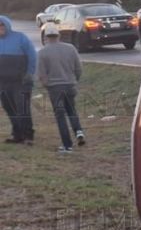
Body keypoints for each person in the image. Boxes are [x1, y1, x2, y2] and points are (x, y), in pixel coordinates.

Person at [37, 23, 85, 153]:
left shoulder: (42, 53)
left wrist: (46, 85)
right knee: (72, 110)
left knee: (60, 116)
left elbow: (42, 75)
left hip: (55, 88)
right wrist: (75, 80)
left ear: (46, 37)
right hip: (70, 85)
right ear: (59, 35)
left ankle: (67, 145)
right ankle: (79, 132)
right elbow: (78, 69)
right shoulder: (71, 48)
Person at [0, 15, 36, 144]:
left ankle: (28, 135)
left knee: (22, 108)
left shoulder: (20, 38)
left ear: (7, 25)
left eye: (2, 25)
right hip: (3, 82)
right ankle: (17, 134)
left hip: (21, 80)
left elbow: (32, 56)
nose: (0, 28)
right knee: (9, 107)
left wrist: (30, 73)